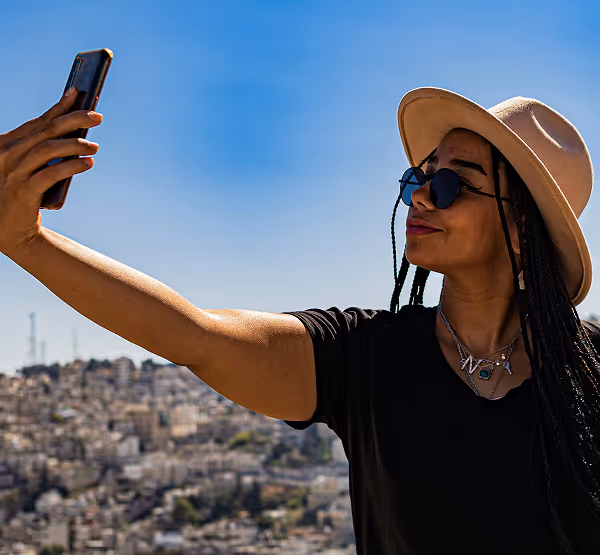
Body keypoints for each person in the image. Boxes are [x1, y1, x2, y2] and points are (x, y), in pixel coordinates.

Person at [1, 85, 599, 555]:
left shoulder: (592, 376)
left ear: (523, 230)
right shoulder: (366, 360)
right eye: (418, 175)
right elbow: (193, 334)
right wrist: (26, 241)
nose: (420, 195)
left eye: (450, 184)